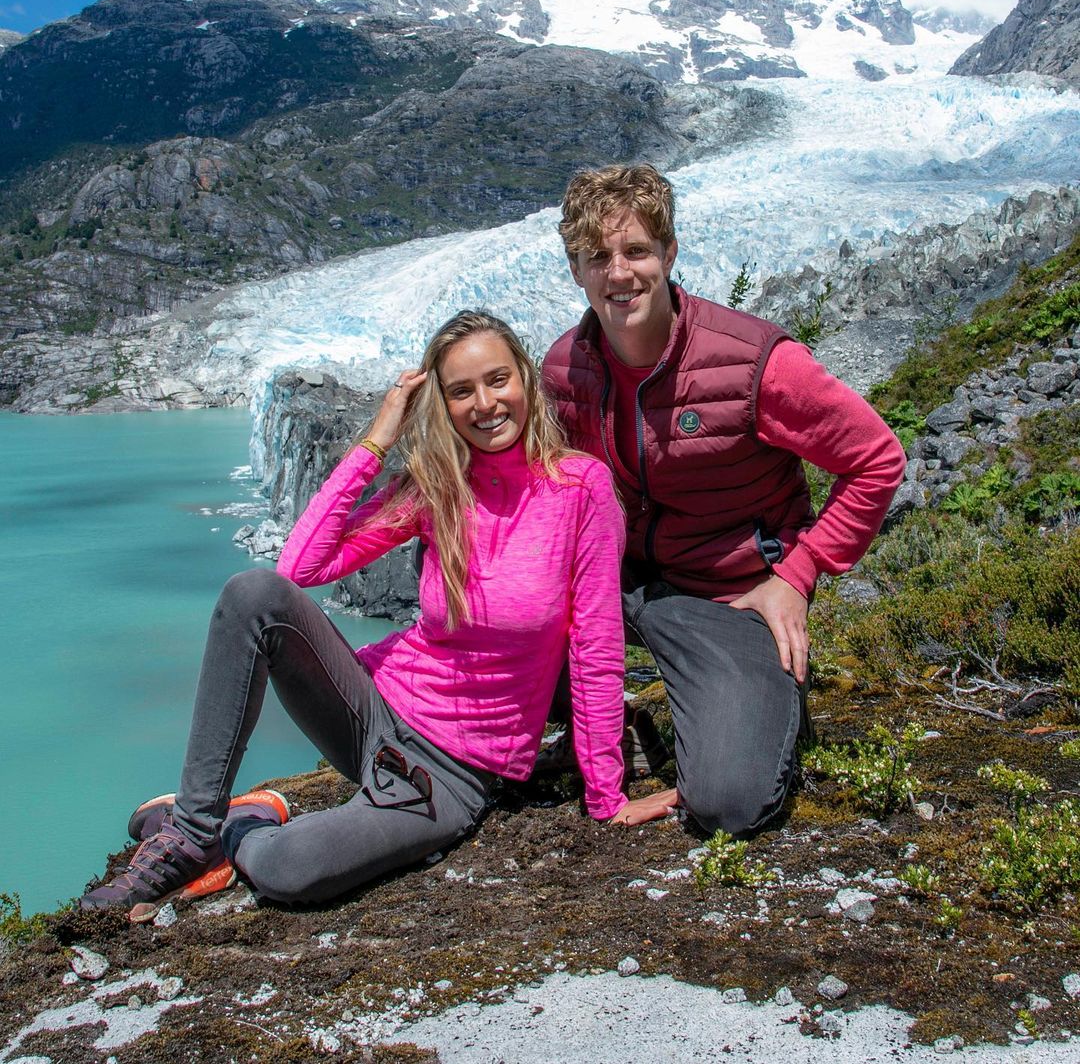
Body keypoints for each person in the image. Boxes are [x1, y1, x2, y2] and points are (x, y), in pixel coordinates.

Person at [81, 310, 636, 922]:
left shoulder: (580, 490)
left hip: (456, 772)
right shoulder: (439, 485)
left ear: (526, 379)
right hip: (372, 709)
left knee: (290, 873)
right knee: (252, 595)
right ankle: (190, 832)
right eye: (460, 390)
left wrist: (606, 799)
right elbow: (300, 567)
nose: (485, 403)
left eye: (498, 379)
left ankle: (241, 823)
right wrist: (379, 439)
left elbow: (597, 649)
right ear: (442, 404)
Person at [541, 164, 906, 835]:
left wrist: (796, 575)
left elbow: (877, 458)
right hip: (615, 586)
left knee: (730, 802)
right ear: (576, 270)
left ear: (670, 253)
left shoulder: (751, 362)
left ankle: (741, 705)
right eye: (598, 257)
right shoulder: (566, 367)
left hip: (727, 595)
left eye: (637, 252)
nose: (619, 274)